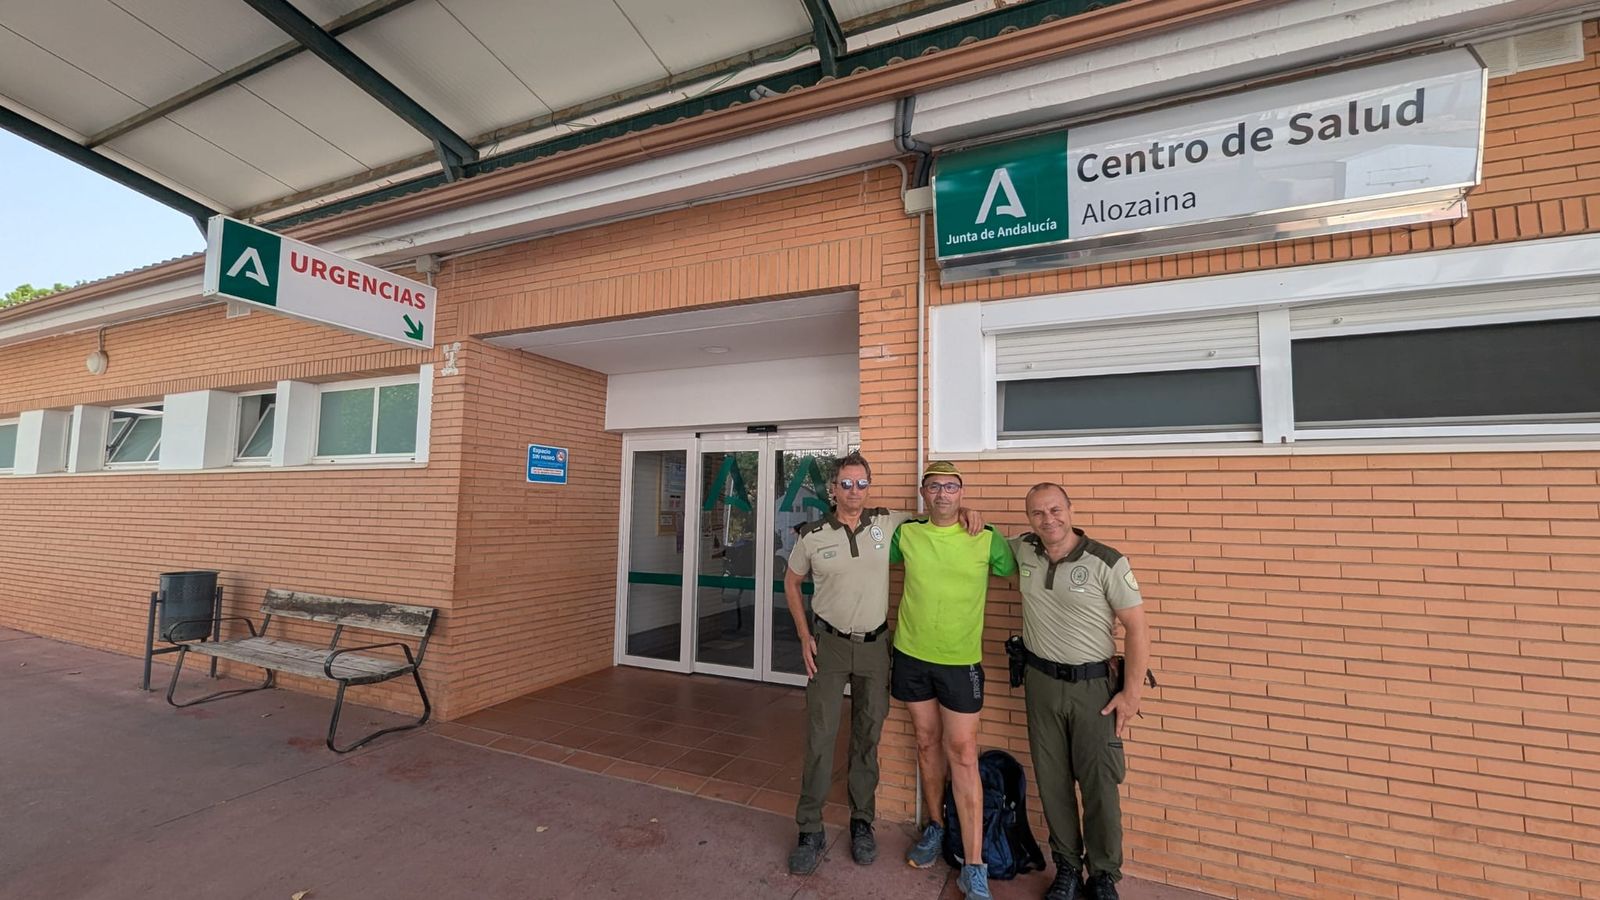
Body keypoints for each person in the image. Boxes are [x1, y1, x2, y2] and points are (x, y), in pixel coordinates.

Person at [782, 451, 983, 875]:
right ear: (833, 488)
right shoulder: (814, 534)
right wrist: (803, 635)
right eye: (846, 484)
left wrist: (965, 509)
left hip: (876, 648)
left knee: (866, 738)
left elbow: (938, 511)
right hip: (829, 646)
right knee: (820, 738)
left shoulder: (887, 522)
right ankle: (810, 829)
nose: (854, 491)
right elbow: (792, 580)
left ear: (868, 487)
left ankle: (861, 823)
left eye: (861, 484)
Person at [1010, 482, 1149, 900]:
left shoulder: (1106, 561)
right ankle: (1068, 867)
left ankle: (1103, 874)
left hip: (1095, 690)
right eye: (1038, 513)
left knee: (1099, 785)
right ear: (1029, 519)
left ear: (1070, 511)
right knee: (1052, 782)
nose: (1048, 520)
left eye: (1055, 510)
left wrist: (1132, 693)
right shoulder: (1023, 550)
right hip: (1041, 685)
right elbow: (981, 541)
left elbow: (1138, 628)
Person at [890, 460, 1016, 900]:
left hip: (961, 662)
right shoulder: (905, 534)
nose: (942, 493)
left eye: (950, 487)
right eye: (934, 487)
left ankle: (975, 864)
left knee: (961, 753)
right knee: (925, 742)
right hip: (910, 654)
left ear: (961, 493)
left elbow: (1011, 570)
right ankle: (936, 828)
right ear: (924, 494)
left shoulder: (985, 536)